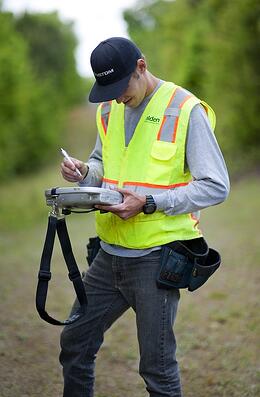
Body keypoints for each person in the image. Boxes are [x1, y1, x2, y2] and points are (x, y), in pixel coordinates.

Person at [60, 37, 230, 397]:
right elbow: (102, 165)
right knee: (74, 344)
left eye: (121, 87)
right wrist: (83, 173)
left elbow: (216, 186)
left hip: (156, 259)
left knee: (158, 370)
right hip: (108, 256)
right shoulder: (108, 109)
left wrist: (150, 201)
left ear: (141, 66)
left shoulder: (185, 110)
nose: (117, 96)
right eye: (108, 89)